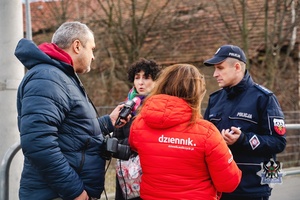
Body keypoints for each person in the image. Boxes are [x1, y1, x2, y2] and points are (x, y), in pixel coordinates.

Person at [14, 21, 128, 200]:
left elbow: (72, 134)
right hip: (57, 194)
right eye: (92, 49)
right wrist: (76, 192)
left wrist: (108, 122)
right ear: (77, 46)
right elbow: (38, 144)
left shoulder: (61, 76)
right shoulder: (48, 78)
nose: (93, 57)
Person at [128, 64, 242, 200]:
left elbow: (137, 147)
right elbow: (229, 183)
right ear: (196, 93)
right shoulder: (207, 132)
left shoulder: (139, 124)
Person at [203, 44, 287, 200]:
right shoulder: (214, 99)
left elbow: (278, 142)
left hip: (251, 188)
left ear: (237, 67)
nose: (215, 74)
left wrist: (243, 139)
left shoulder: (264, 98)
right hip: (218, 187)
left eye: (220, 68)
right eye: (215, 69)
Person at [113, 58, 161, 200]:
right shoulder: (125, 107)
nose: (140, 82)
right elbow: (117, 138)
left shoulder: (162, 106)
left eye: (146, 78)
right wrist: (132, 145)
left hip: (152, 171)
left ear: (156, 81)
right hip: (127, 171)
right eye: (137, 77)